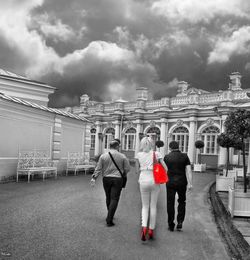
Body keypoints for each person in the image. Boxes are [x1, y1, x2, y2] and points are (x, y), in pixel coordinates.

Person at [135, 137, 168, 241]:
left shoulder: (138, 155)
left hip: (143, 179)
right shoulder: (157, 154)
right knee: (153, 206)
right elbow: (165, 168)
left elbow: (136, 170)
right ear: (151, 144)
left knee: (145, 206)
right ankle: (151, 230)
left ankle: (144, 227)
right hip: (154, 180)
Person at [90, 140, 130, 227]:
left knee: (108, 197)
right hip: (118, 179)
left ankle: (110, 214)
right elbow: (127, 168)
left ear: (110, 146)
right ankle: (109, 218)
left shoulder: (103, 156)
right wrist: (123, 173)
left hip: (106, 179)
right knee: (114, 198)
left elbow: (98, 168)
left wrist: (94, 178)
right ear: (117, 146)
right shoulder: (122, 156)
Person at [163, 140, 193, 232]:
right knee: (182, 201)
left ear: (170, 148)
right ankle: (180, 222)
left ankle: (171, 224)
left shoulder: (167, 157)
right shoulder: (184, 156)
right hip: (182, 182)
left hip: (170, 182)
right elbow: (188, 170)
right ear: (178, 147)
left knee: (170, 203)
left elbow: (163, 170)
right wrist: (190, 183)